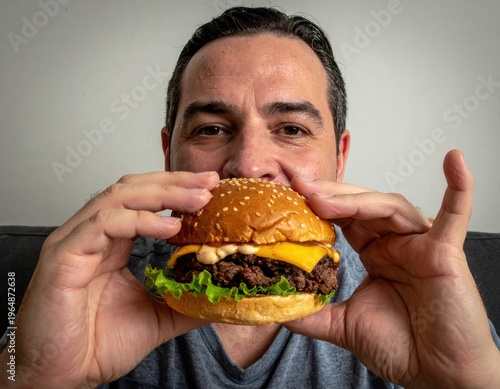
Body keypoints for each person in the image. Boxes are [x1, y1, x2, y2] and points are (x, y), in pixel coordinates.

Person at [1, 6, 499, 388]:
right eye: (212, 128)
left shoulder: (410, 295)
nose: (248, 163)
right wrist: (32, 376)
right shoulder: (94, 287)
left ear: (340, 158)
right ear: (169, 152)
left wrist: (466, 381)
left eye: (291, 128)